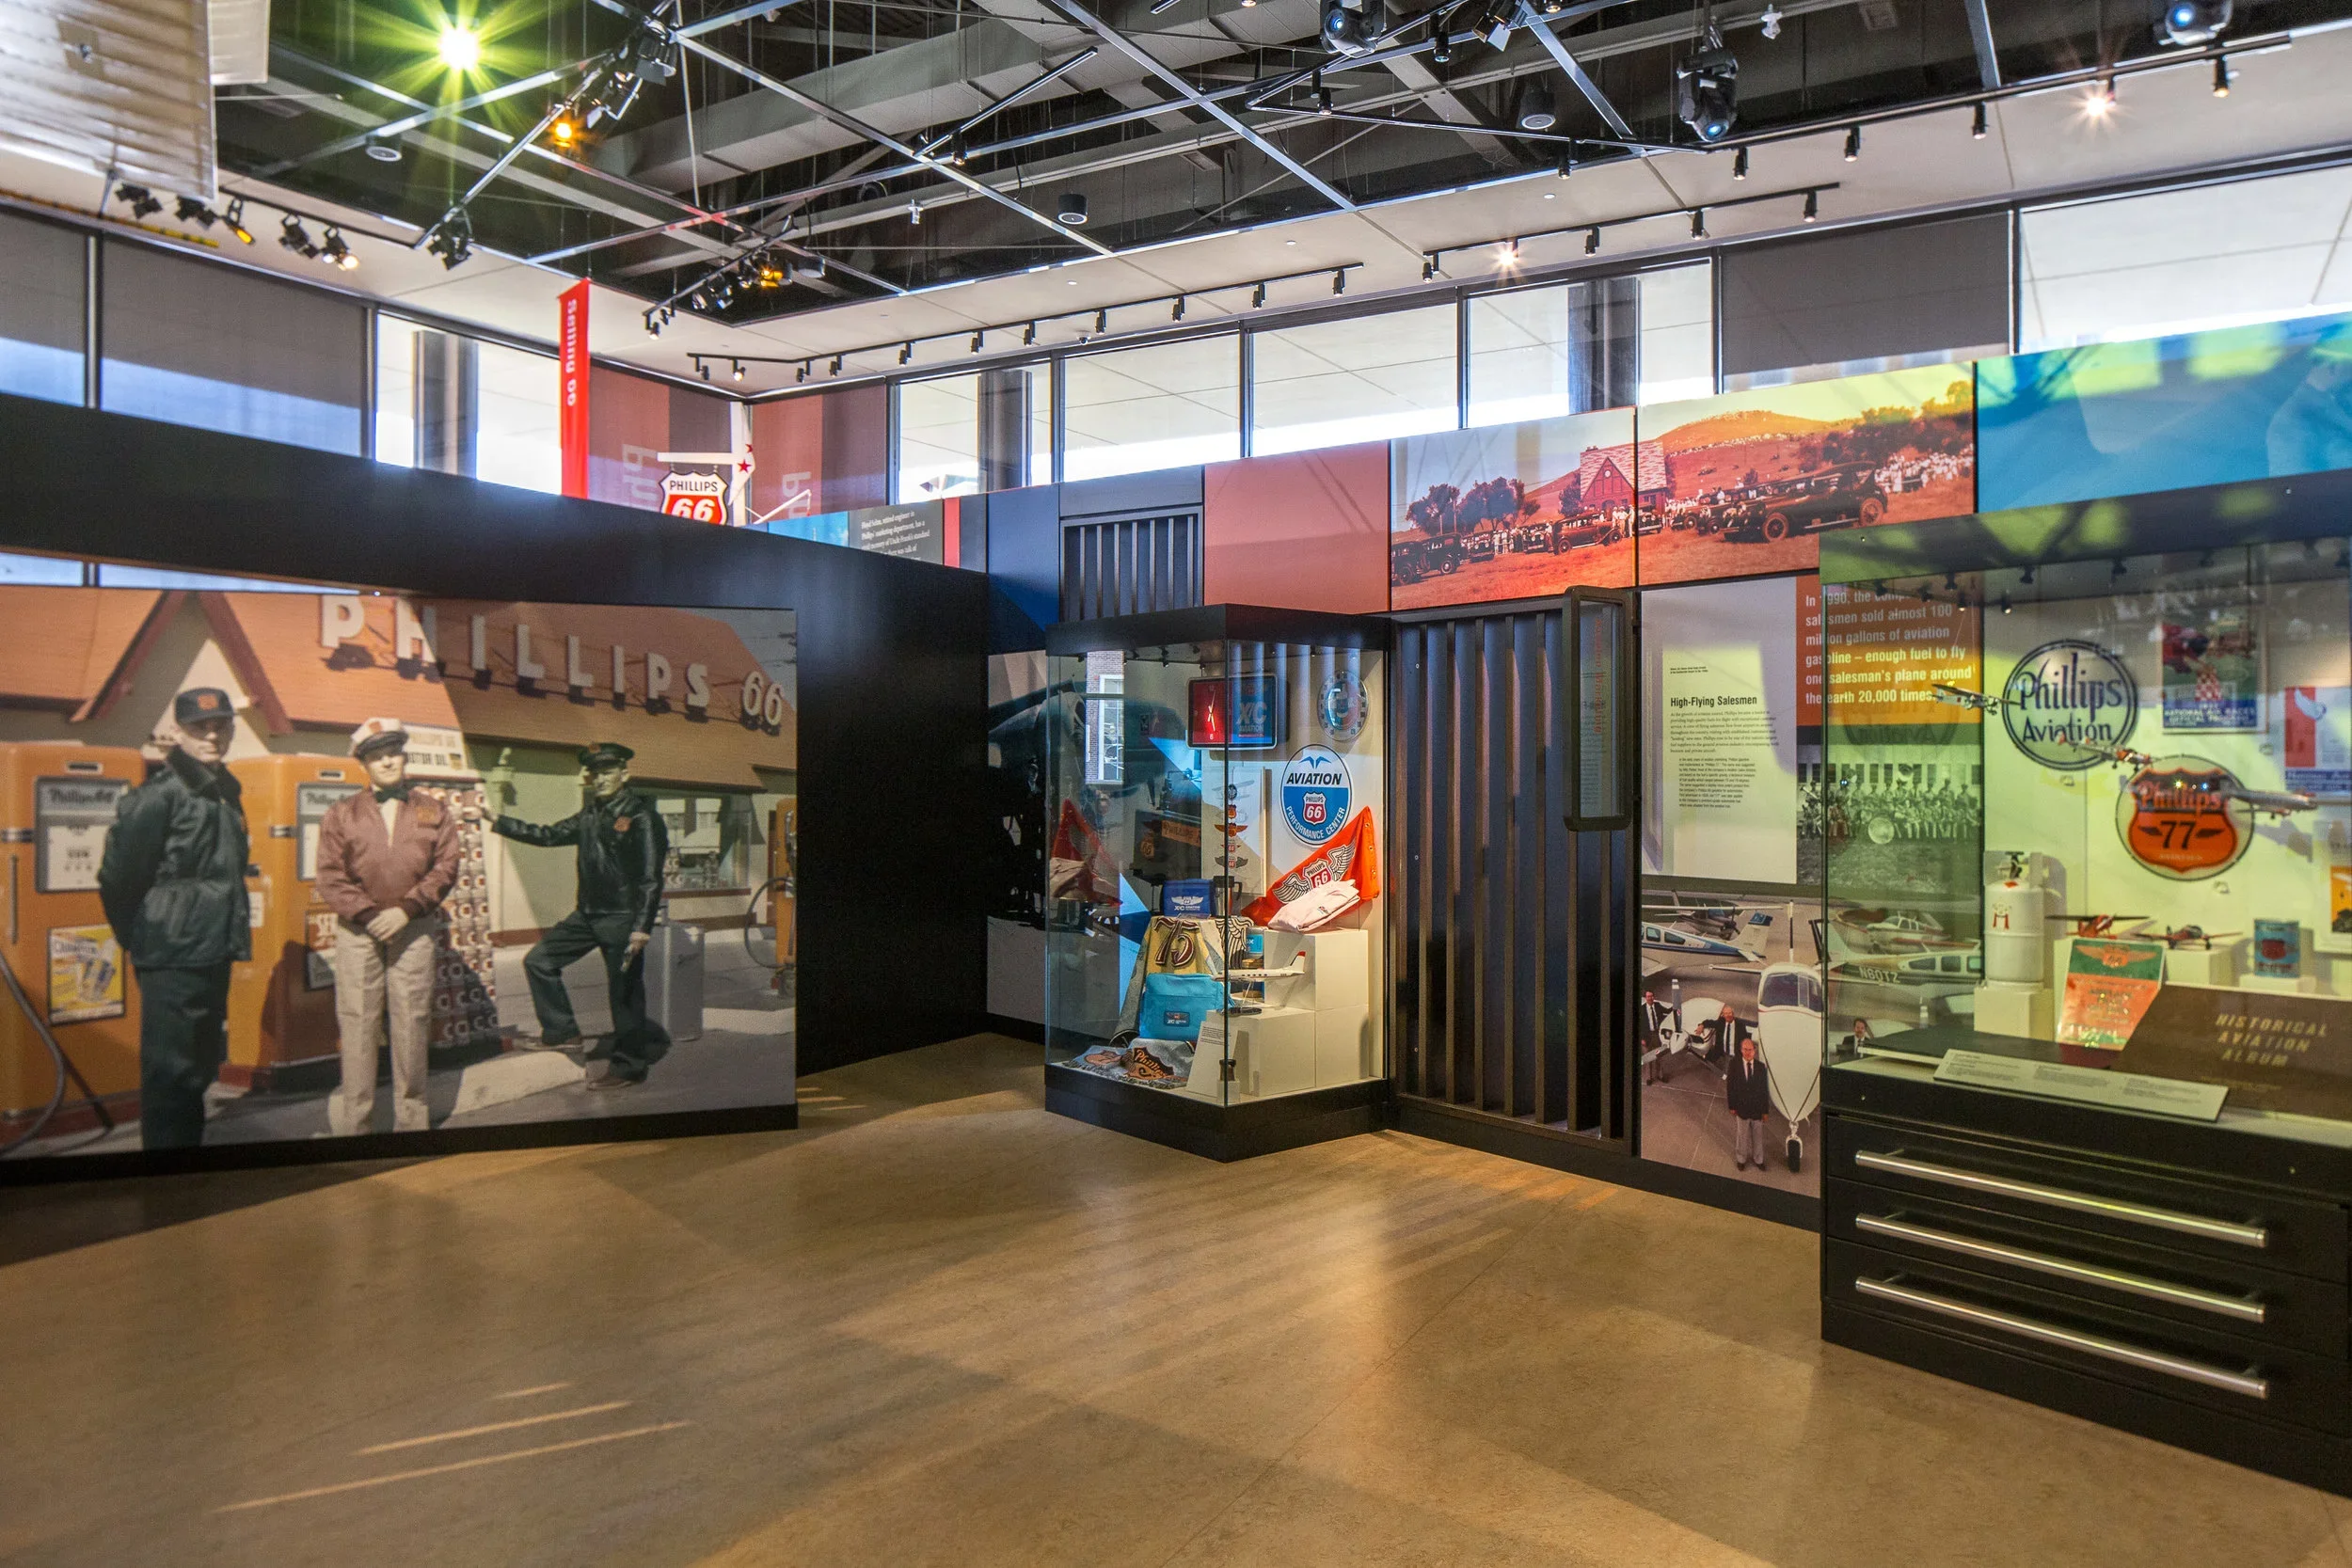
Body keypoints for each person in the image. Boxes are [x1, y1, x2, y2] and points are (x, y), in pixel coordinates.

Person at [98, 688, 250, 1149]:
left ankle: (185, 1160)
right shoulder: (158, 796)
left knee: (200, 1065)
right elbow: (118, 879)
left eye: (220, 724)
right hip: (172, 950)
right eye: (198, 727)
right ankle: (167, 1179)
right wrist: (144, 937)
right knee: (171, 1071)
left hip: (213, 945)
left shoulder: (225, 789)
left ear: (232, 728)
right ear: (179, 732)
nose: (211, 734)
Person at [490, 742, 672, 1087]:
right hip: (587, 915)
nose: (599, 778)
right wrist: (496, 820)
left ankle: (629, 1066)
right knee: (539, 961)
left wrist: (641, 927)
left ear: (624, 773)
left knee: (624, 994)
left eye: (606, 771)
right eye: (594, 772)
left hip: (622, 919)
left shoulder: (640, 815)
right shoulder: (590, 815)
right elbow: (547, 835)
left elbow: (651, 876)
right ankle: (563, 1031)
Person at [312, 719, 460, 1135]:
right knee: (358, 1022)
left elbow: (446, 866)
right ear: (364, 764)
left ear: (403, 756)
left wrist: (408, 908)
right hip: (359, 931)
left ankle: (411, 1122)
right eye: (377, 756)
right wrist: (368, 915)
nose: (387, 761)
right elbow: (329, 874)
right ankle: (356, 1126)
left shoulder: (433, 808)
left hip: (413, 928)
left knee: (411, 1020)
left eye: (393, 752)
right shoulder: (342, 813)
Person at [1725, 1024, 1773, 1172]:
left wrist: (1765, 1111)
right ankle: (1741, 1159)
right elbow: (1730, 1087)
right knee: (1742, 1137)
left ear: (1755, 1051)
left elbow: (1764, 1091)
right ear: (1741, 1051)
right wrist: (1732, 1107)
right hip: (1741, 1109)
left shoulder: (1761, 1067)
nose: (1748, 1052)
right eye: (1745, 1050)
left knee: (1758, 1137)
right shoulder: (1734, 1065)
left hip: (1757, 1111)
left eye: (1750, 1050)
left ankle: (1759, 1160)